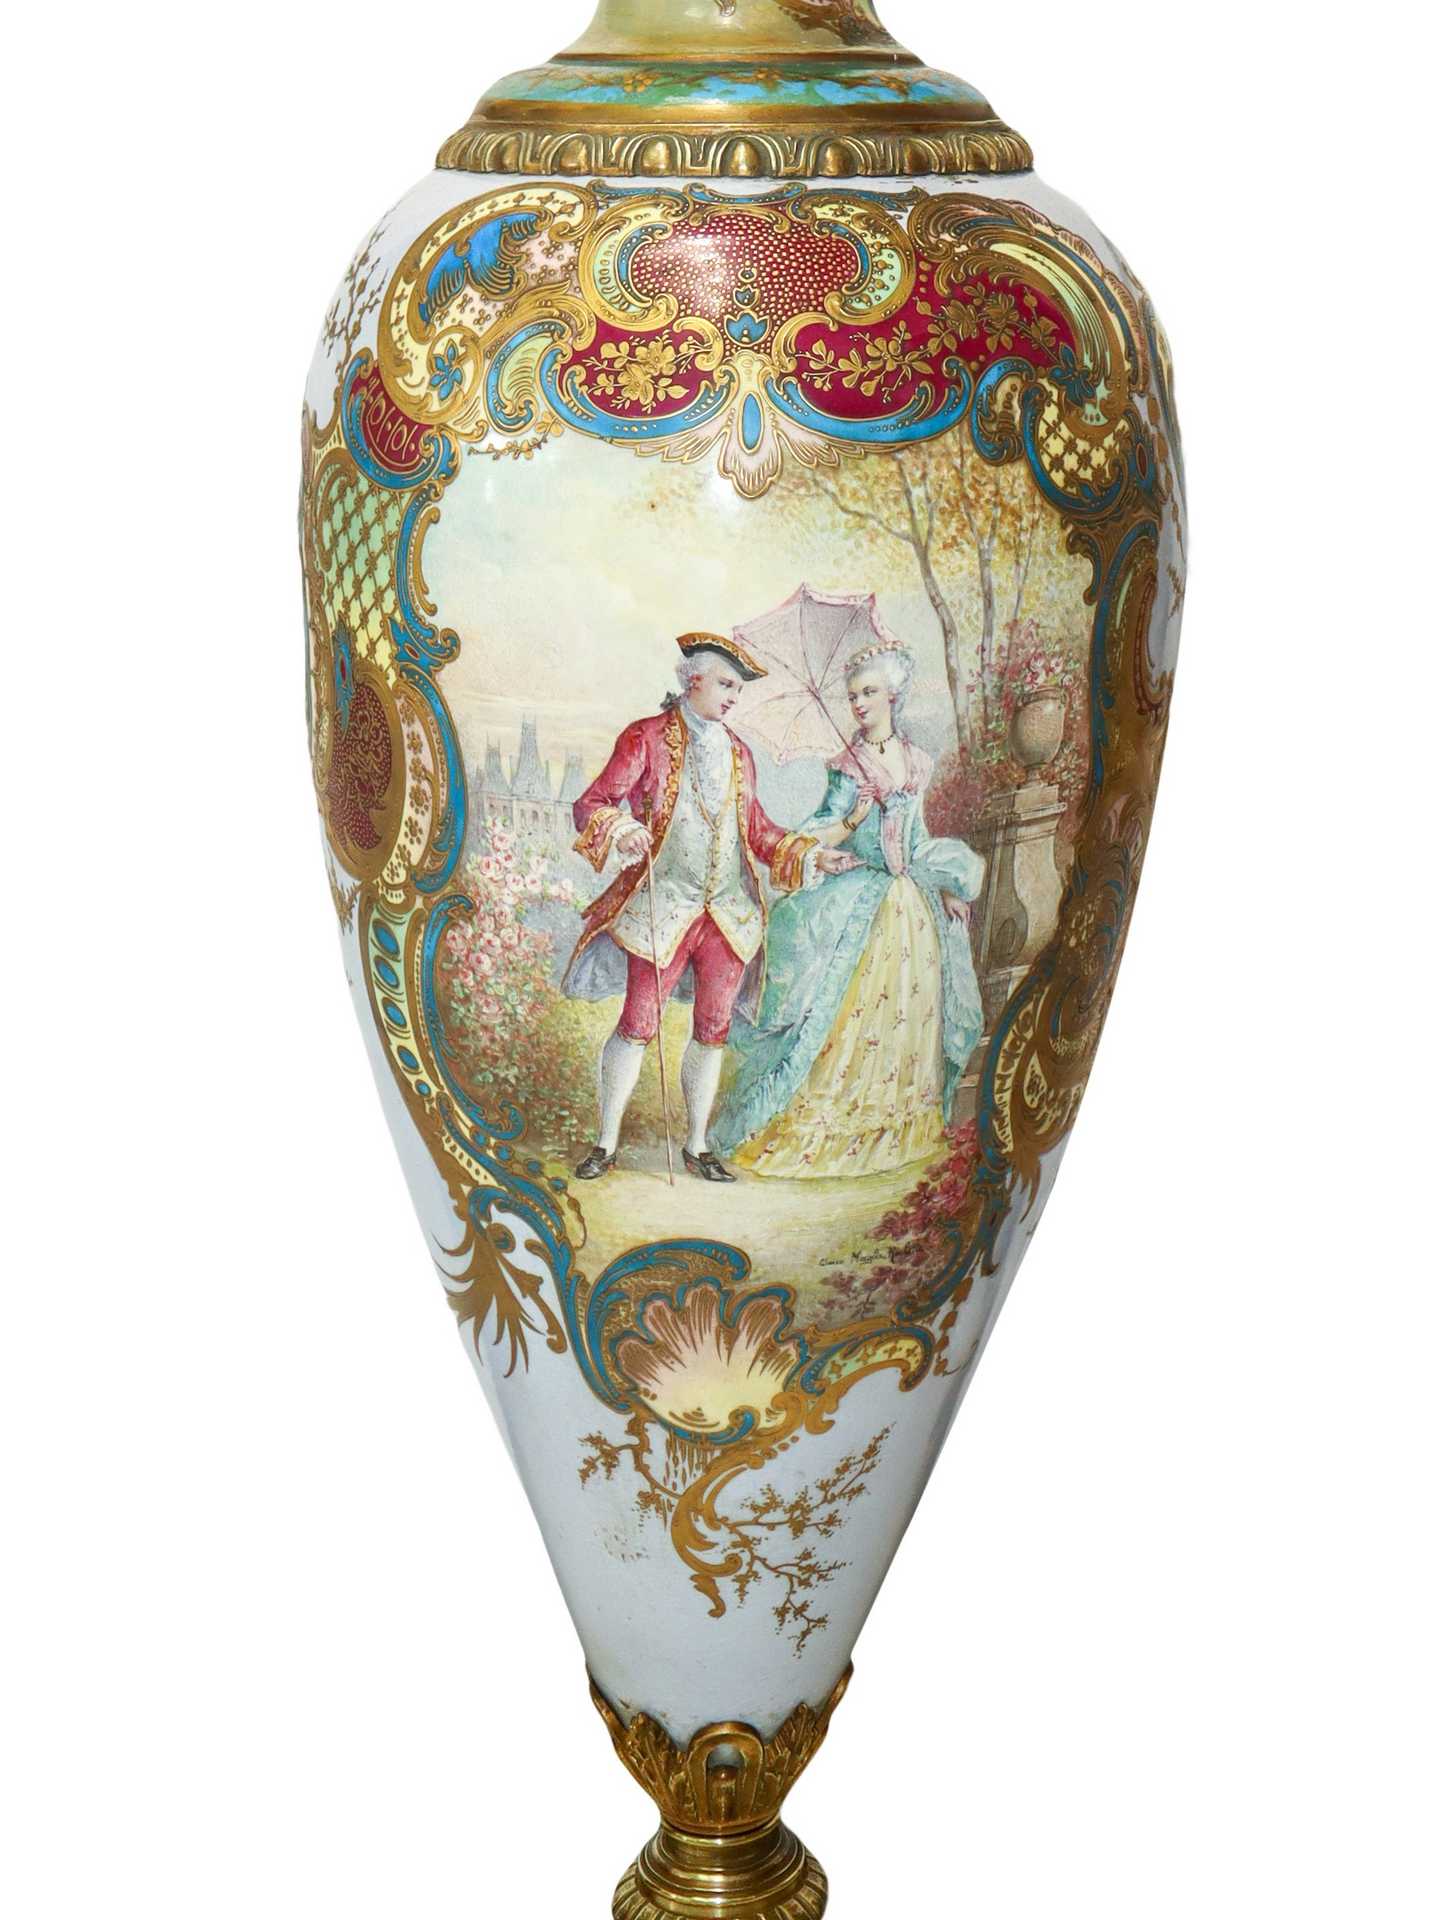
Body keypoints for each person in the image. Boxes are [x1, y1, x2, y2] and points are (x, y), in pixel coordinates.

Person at [563, 633, 856, 1181]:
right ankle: (605, 1143)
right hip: (664, 907)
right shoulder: (645, 737)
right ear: (690, 679)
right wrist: (623, 829)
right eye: (725, 684)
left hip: (728, 914)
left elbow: (758, 832)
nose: (732, 697)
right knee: (638, 1023)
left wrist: (813, 854)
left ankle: (697, 1146)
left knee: (714, 1028)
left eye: (737, 689)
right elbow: (593, 803)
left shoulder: (740, 754)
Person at [712, 640, 985, 1178]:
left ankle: (901, 1130)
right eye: (853, 695)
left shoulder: (916, 760)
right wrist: (855, 818)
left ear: (892, 695)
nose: (859, 704)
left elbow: (917, 836)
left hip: (910, 906)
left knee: (907, 1016)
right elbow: (819, 834)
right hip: (860, 899)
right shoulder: (846, 767)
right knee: (845, 1019)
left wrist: (948, 887)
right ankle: (827, 1134)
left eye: (868, 693)